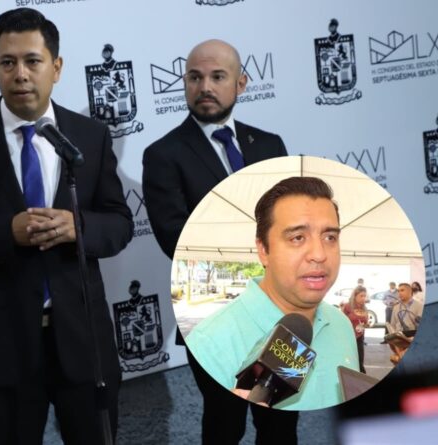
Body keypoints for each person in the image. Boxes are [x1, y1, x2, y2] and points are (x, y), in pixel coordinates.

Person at [0, 8, 132, 445]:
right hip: (2, 346)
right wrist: (6, 233)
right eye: (8, 62)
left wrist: (78, 227)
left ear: (56, 67)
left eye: (33, 61)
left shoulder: (89, 136)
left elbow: (119, 223)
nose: (20, 74)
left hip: (83, 343)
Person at [142, 39, 292, 444]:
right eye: (194, 77)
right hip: (215, 320)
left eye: (217, 76)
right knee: (226, 425)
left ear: (241, 83)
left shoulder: (270, 145)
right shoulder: (163, 154)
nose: (204, 86)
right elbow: (176, 239)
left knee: (281, 424)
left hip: (281, 316)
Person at [185, 177, 360, 410]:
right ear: (263, 250)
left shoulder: (342, 324)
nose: (319, 254)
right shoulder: (208, 345)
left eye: (330, 237)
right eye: (297, 238)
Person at [389, 283, 423, 365]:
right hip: (398, 339)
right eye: (398, 291)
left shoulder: (419, 306)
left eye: (402, 290)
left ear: (410, 291)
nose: (399, 293)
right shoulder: (396, 307)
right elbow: (392, 325)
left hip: (412, 339)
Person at [343, 286, 369, 373]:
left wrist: (366, 324)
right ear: (355, 296)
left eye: (365, 296)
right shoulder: (347, 306)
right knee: (349, 360)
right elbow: (341, 320)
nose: (363, 298)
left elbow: (365, 322)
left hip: (360, 337)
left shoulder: (364, 308)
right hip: (348, 337)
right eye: (361, 296)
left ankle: (361, 377)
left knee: (360, 361)